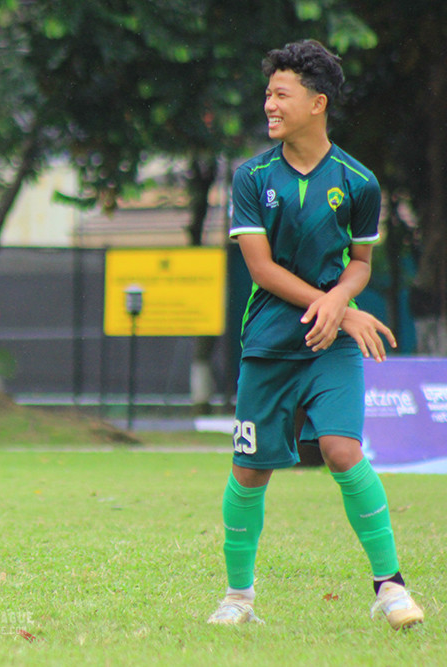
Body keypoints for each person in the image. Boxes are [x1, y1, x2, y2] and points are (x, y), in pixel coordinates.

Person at [208, 40, 422, 630]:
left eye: (281, 94)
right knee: (250, 470)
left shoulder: (359, 182)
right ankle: (238, 599)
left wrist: (342, 304)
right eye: (268, 92)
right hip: (269, 346)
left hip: (331, 348)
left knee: (341, 450)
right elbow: (261, 270)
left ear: (317, 102)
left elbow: (361, 264)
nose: (269, 103)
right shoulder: (252, 177)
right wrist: (336, 305)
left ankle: (390, 587)